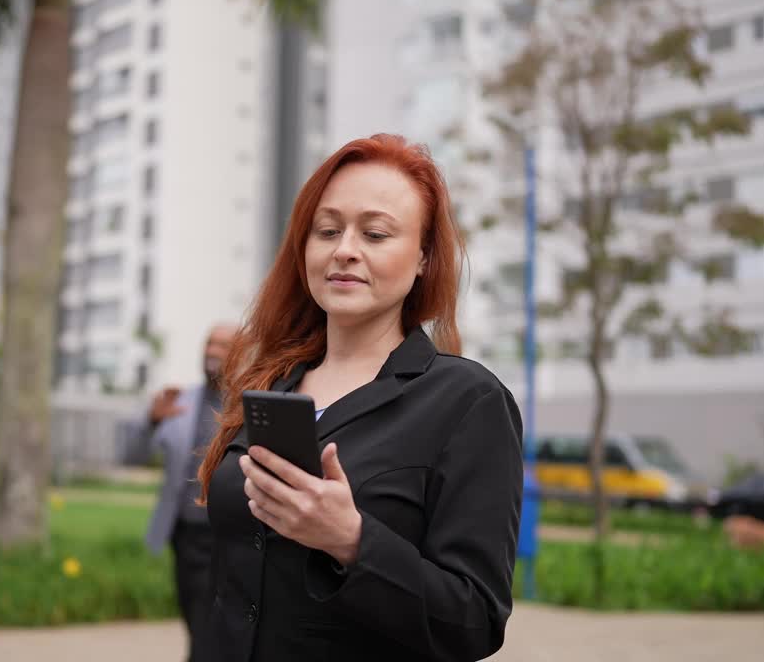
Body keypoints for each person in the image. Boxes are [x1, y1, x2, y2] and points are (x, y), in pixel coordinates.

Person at [196, 134, 523, 661]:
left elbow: (475, 620)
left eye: (375, 233)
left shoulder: (468, 402)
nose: (345, 249)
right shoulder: (270, 387)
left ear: (422, 258)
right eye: (327, 230)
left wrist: (351, 540)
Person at [123, 323, 238, 662]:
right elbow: (132, 457)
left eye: (223, 345)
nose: (213, 351)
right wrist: (151, 421)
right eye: (209, 343)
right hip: (186, 535)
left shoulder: (248, 401)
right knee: (195, 616)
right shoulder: (178, 402)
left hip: (229, 535)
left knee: (213, 624)